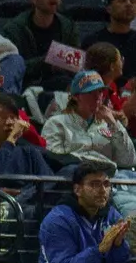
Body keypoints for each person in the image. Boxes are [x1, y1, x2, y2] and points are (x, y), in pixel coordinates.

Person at [42, 71, 136, 214]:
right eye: (91, 94)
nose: (98, 98)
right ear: (75, 96)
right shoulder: (57, 123)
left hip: (116, 182)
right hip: (81, 188)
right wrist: (94, 161)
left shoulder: (109, 125)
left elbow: (129, 160)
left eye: (101, 92)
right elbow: (54, 159)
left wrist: (113, 123)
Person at [0, 92, 56, 197]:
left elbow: (50, 186)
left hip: (31, 208)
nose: (9, 122)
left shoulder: (30, 154)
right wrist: (12, 139)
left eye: (13, 118)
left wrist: (22, 195)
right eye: (2, 117)